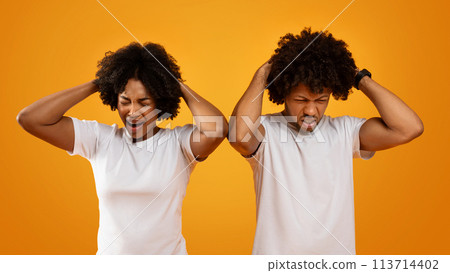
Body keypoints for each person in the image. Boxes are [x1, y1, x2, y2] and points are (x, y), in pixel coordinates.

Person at [17, 42, 228, 254]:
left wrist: (174, 83)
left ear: (161, 103)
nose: (133, 111)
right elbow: (30, 119)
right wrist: (99, 83)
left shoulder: (178, 144)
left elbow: (218, 130)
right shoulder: (100, 139)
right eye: (125, 101)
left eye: (144, 102)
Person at [229, 28, 424, 254]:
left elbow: (409, 128)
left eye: (321, 100)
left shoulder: (345, 131)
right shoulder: (268, 132)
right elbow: (238, 136)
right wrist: (264, 74)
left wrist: (359, 78)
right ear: (283, 94)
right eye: (301, 99)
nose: (311, 109)